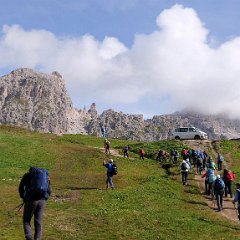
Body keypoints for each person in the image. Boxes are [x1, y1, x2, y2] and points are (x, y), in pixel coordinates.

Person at [19, 167, 51, 240]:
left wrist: (23, 197)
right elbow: (49, 189)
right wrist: (46, 198)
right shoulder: (45, 176)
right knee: (38, 221)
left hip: (31, 200)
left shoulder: (27, 175)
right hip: (42, 201)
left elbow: (21, 187)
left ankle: (29, 237)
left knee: (26, 220)